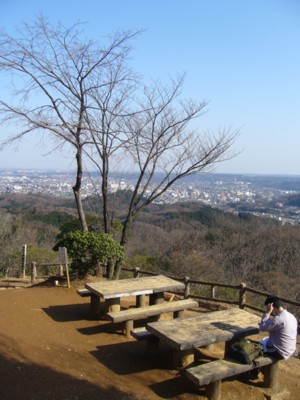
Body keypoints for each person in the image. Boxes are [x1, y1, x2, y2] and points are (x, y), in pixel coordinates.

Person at [259, 295, 298, 360]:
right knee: (265, 340)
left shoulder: (279, 319)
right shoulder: (291, 316)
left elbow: (262, 327)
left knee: (258, 346)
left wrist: (268, 312)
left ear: (271, 306)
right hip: (290, 349)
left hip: (279, 352)